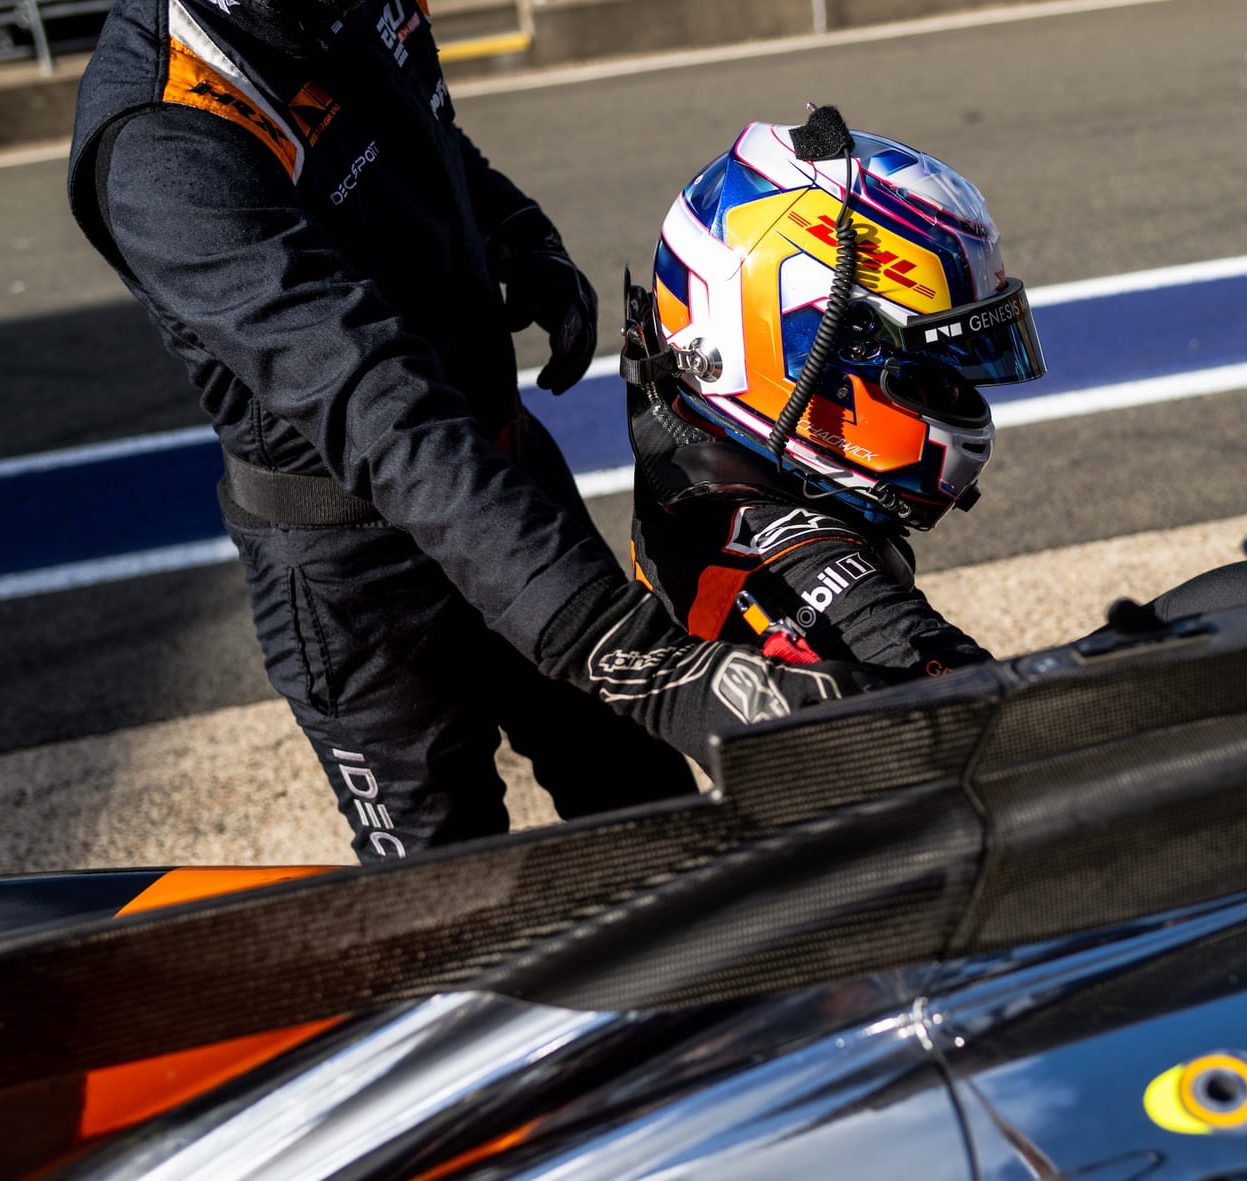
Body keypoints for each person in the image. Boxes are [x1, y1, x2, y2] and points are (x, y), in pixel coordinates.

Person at [65, 0, 861, 861]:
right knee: (448, 895)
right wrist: (623, 649)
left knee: (648, 815)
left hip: (501, 474)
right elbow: (381, 412)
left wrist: (519, 236)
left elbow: (421, 134)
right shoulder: (164, 137)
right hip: (355, 575)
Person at [621, 110, 1047, 678]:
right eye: (929, 369)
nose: (955, 389)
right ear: (809, 354)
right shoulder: (776, 557)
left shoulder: (682, 434)